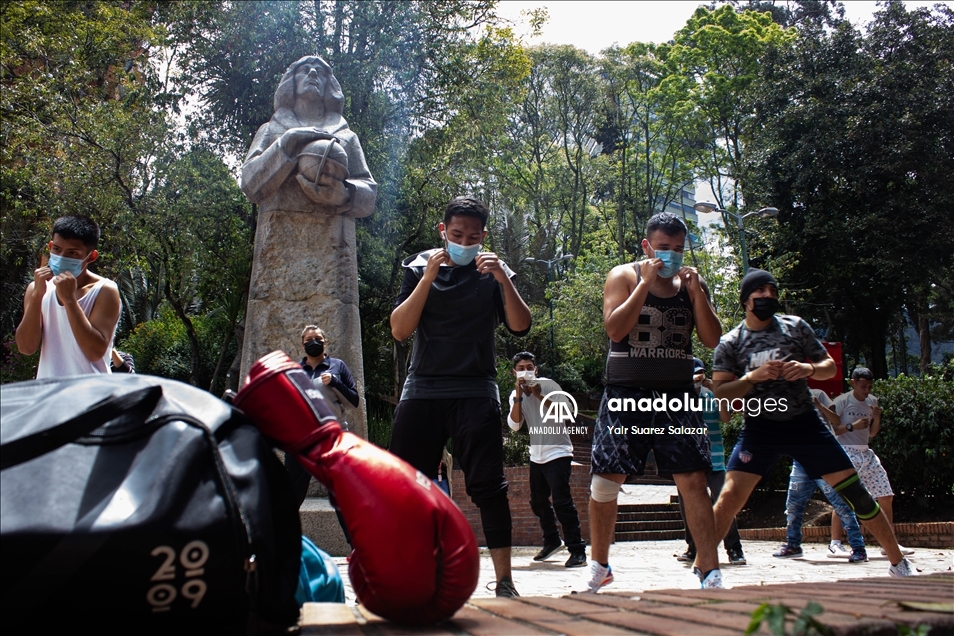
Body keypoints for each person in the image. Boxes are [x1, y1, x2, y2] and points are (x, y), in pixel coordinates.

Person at [709, 269, 913, 578]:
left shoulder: (795, 327)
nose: (767, 296)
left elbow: (828, 367)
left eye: (771, 291)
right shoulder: (730, 342)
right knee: (728, 499)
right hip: (759, 428)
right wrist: (752, 377)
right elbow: (721, 390)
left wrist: (806, 368)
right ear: (745, 299)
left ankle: (899, 562)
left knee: (855, 493)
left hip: (805, 424)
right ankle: (707, 571)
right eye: (759, 292)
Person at [388, 196, 532, 598]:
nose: (464, 242)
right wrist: (427, 278)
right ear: (442, 232)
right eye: (456, 235)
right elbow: (400, 330)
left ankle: (504, 581)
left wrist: (503, 278)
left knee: (488, 486)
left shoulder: (493, 273)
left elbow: (520, 326)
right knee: (406, 484)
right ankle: (408, 573)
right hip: (423, 390)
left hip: (475, 391)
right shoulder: (418, 267)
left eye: (472, 236)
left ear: (483, 237)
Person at [583, 212, 723, 592]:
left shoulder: (691, 283)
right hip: (626, 394)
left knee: (693, 479)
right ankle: (600, 565)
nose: (672, 256)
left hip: (677, 396)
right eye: (664, 248)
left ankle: (709, 571)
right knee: (605, 479)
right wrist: (643, 285)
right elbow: (615, 328)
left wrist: (697, 295)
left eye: (678, 249)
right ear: (647, 246)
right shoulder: (624, 276)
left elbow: (712, 340)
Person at [241, 56, 376, 217]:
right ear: (291, 80)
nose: (312, 73)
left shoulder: (346, 136)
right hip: (277, 235)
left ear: (328, 84)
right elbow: (250, 186)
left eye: (320, 72)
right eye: (304, 70)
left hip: (333, 238)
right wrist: (286, 144)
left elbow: (369, 196)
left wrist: (345, 195)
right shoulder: (271, 129)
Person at [507, 351, 586, 568]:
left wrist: (539, 394)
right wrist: (519, 394)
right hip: (537, 454)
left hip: (558, 451)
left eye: (529, 366)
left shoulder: (550, 385)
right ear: (515, 372)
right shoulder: (515, 395)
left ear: (536, 369)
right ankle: (552, 540)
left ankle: (577, 549)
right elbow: (515, 425)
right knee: (537, 501)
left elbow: (565, 414)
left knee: (562, 501)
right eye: (521, 368)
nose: (526, 371)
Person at [15, 215, 121, 378]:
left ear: (91, 256)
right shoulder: (37, 289)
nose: (62, 257)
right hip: (51, 396)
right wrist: (37, 296)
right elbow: (26, 347)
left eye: (72, 253)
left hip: (91, 396)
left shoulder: (104, 290)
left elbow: (94, 353)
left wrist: (70, 301)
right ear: (50, 246)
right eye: (57, 249)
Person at [773, 388, 868, 563]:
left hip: (825, 457)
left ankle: (858, 548)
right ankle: (793, 544)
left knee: (841, 504)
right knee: (793, 505)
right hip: (801, 460)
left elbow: (835, 420)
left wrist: (817, 405)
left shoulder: (818, 393)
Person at [831, 368, 913, 556]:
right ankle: (835, 543)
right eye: (863, 386)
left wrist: (877, 418)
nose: (867, 390)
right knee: (844, 499)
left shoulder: (872, 401)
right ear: (852, 383)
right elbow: (832, 429)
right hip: (846, 453)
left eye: (869, 386)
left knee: (885, 495)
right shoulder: (842, 401)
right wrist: (853, 426)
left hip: (866, 453)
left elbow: (873, 433)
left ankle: (889, 543)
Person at [676, 358, 746, 567]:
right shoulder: (678, 398)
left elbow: (725, 418)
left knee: (723, 503)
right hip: (687, 461)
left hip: (714, 459)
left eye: (701, 373)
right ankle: (693, 548)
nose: (698, 378)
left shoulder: (713, 395)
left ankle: (734, 549)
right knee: (688, 505)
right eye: (694, 374)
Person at [285, 325, 360, 506]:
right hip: (303, 440)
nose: (314, 342)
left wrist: (335, 382)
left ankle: (353, 535)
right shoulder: (294, 371)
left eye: (318, 338)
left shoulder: (337, 366)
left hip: (333, 438)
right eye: (309, 340)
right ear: (302, 345)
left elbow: (354, 402)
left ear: (325, 342)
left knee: (343, 497)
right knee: (290, 496)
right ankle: (285, 534)